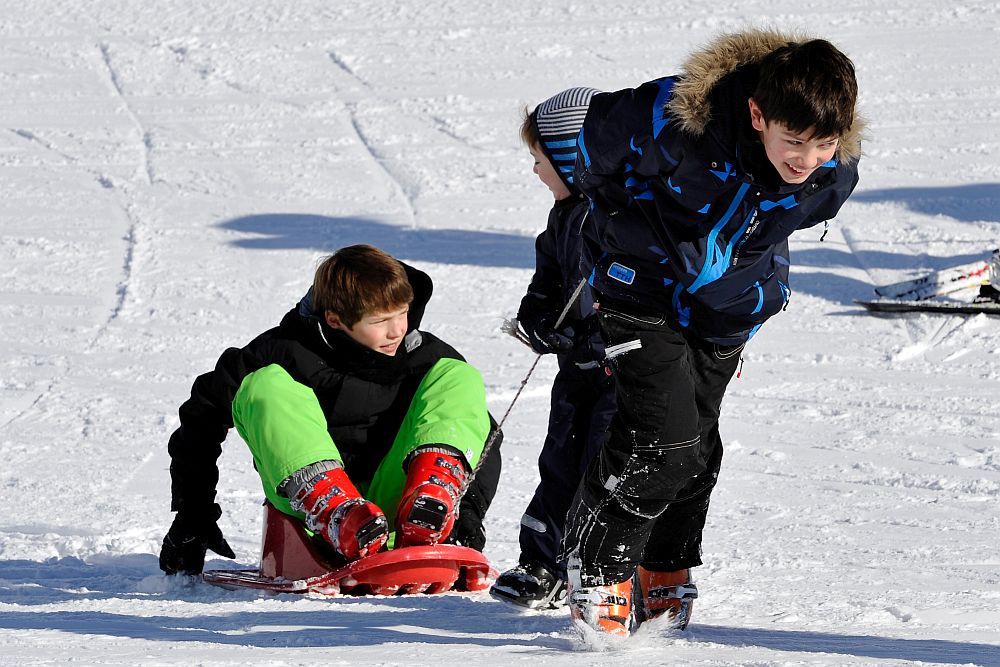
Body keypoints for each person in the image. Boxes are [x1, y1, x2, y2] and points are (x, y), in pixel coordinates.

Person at [560, 29, 864, 636]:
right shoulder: (677, 121)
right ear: (757, 115)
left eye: (824, 143)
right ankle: (596, 568)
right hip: (638, 290)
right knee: (661, 438)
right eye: (794, 142)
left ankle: (664, 568)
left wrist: (745, 278)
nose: (806, 160)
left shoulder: (832, 176)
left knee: (697, 448)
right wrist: (622, 224)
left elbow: (772, 227)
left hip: (726, 308)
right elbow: (594, 146)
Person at [159, 244, 502, 576]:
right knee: (265, 385)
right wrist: (194, 514)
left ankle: (432, 503)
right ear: (336, 320)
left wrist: (468, 517)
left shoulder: (422, 355)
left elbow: (482, 432)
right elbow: (200, 420)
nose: (398, 329)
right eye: (381, 320)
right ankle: (336, 510)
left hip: (400, 502)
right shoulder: (279, 351)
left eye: (403, 312)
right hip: (307, 516)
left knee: (456, 376)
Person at [488, 88, 617, 610]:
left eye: (541, 160)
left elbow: (629, 293)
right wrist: (539, 316)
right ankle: (542, 563)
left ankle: (601, 568)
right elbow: (549, 278)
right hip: (576, 367)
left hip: (621, 368)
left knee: (603, 465)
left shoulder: (620, 217)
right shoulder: (562, 218)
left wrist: (592, 332)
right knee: (559, 458)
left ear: (573, 159)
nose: (537, 171)